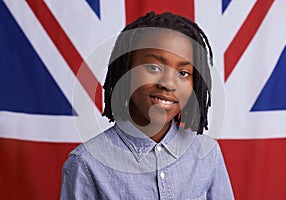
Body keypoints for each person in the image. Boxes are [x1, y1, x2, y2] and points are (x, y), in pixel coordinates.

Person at [60, 12, 234, 200]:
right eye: (153, 67)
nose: (168, 83)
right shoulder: (87, 163)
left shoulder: (207, 154)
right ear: (125, 72)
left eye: (183, 73)